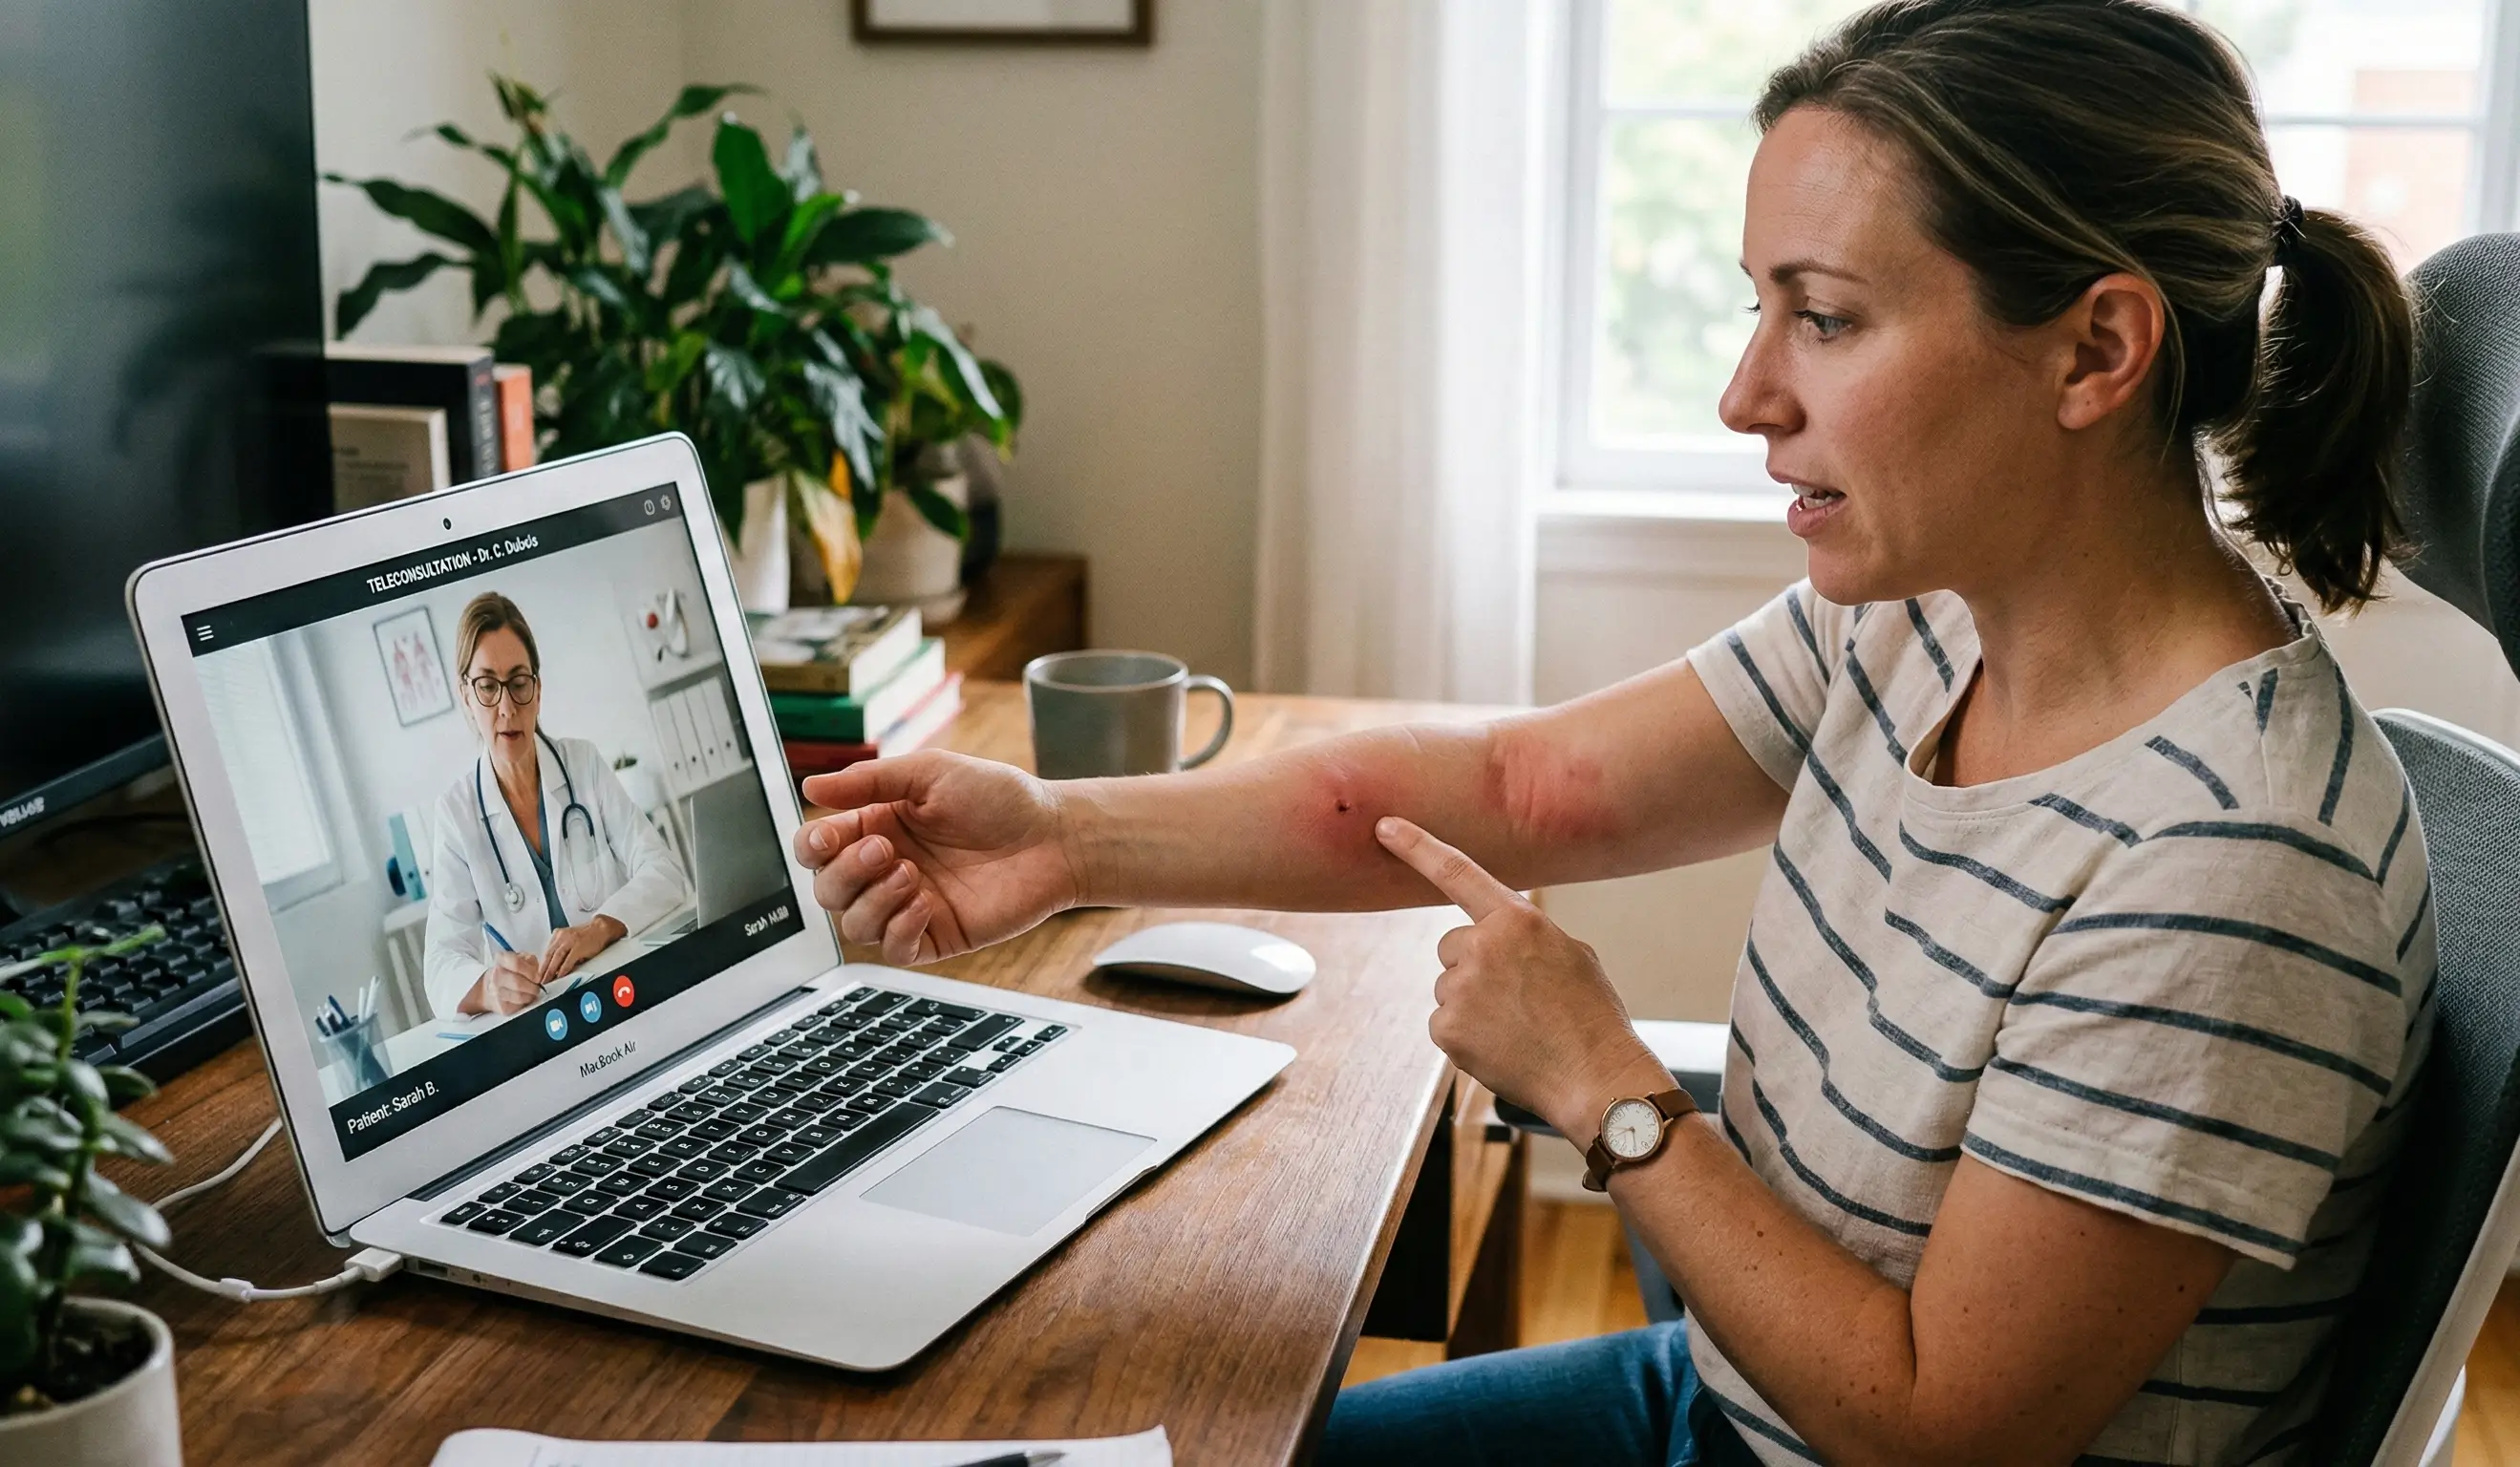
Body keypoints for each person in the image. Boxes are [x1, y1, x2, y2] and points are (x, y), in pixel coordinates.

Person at [792, 1, 2432, 1461]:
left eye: (1824, 317)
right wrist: (1065, 839)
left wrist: (1605, 1084)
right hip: (1719, 1401)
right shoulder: (1925, 616)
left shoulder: (2230, 864)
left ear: (2094, 349)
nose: (1745, 394)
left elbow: (1938, 1427)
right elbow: (1531, 784)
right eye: (1758, 307)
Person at [423, 592, 690, 1021]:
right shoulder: (456, 815)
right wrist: (488, 988)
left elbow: (665, 872)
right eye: (488, 686)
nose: (507, 708)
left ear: (538, 690)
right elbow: (440, 967)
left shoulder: (583, 764)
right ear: (466, 697)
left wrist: (600, 928)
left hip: (624, 994)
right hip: (544, 1025)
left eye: (519, 683)